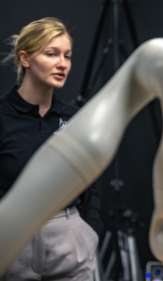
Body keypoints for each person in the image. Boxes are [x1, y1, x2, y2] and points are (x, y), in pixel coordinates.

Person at [0, 17, 101, 280]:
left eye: (67, 56)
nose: (62, 64)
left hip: (69, 240)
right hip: (12, 239)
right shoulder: (2, 117)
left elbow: (91, 184)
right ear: (25, 59)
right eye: (51, 54)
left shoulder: (76, 118)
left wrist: (86, 230)